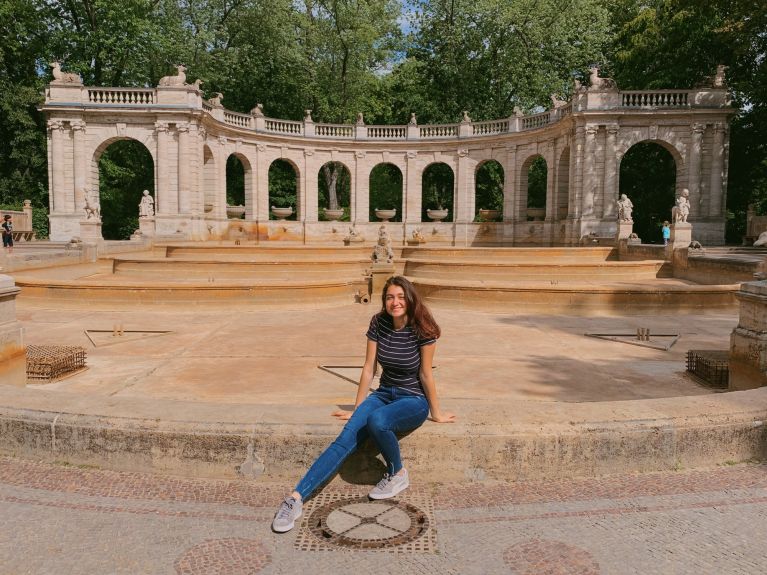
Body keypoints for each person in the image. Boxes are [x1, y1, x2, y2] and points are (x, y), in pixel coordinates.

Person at [272, 276, 456, 533]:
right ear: (385, 301)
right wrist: (357, 410)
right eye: (390, 297)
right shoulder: (378, 323)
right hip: (383, 394)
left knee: (377, 421)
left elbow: (426, 373)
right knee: (343, 440)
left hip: (413, 399)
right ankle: (295, 499)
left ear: (410, 299)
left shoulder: (423, 328)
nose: (395, 302)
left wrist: (436, 413)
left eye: (401, 297)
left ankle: (397, 472)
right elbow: (369, 368)